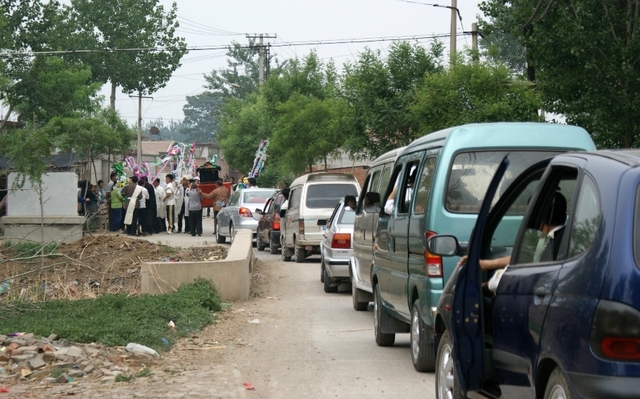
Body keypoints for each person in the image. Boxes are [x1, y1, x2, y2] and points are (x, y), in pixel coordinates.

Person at [457, 191, 568, 293]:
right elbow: (522, 257)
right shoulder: (567, 237)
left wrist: (484, 286)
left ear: (540, 218)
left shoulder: (548, 246)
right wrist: (485, 264)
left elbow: (506, 278)